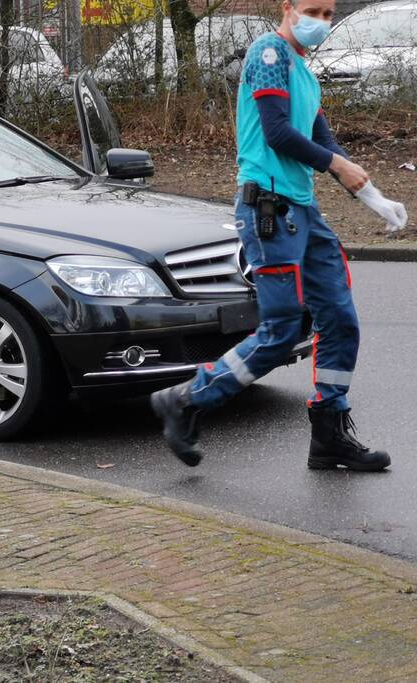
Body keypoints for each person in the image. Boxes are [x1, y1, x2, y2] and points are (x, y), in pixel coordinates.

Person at [151, 0, 406, 472]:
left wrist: (372, 195)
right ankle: (186, 400)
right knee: (282, 329)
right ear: (287, 7)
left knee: (340, 319)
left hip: (303, 211)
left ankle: (329, 433)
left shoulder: (304, 73)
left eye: (328, 13)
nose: (321, 21)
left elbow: (322, 139)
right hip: (268, 209)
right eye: (313, 10)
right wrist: (338, 165)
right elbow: (277, 133)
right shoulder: (268, 54)